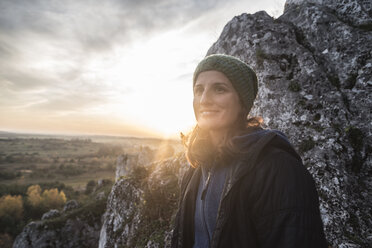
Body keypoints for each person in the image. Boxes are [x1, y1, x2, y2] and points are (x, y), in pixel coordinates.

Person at [171, 54, 328, 248]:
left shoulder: (278, 169)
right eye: (198, 90)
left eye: (219, 89)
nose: (204, 99)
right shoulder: (196, 170)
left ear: (242, 103)